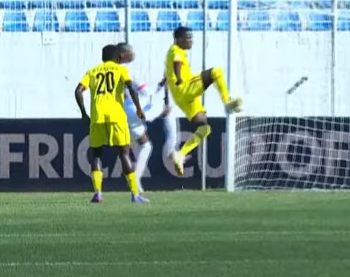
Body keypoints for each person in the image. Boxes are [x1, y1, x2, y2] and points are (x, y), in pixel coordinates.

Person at [74, 44, 148, 203]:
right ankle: (135, 194)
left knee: (96, 153)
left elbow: (78, 90)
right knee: (123, 153)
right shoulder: (120, 70)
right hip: (116, 115)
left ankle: (98, 193)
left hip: (98, 116)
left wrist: (84, 113)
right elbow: (131, 88)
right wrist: (139, 109)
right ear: (116, 56)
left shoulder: (92, 71)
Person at [166, 27, 242, 176]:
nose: (191, 40)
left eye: (191, 37)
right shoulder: (176, 50)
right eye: (187, 38)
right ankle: (227, 102)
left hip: (182, 97)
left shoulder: (172, 51)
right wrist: (179, 78)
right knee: (216, 72)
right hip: (185, 88)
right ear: (178, 39)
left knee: (204, 129)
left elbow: (170, 69)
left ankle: (180, 154)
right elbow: (177, 63)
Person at [117, 43, 178, 193]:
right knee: (166, 110)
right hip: (134, 109)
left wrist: (160, 86)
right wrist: (160, 88)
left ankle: (135, 181)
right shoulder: (130, 71)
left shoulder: (111, 70)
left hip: (120, 111)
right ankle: (170, 148)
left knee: (144, 145)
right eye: (131, 52)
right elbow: (146, 93)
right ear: (123, 54)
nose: (133, 54)